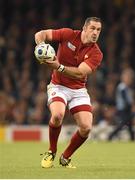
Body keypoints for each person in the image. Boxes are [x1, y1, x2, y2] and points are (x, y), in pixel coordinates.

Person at [34, 17, 103, 168]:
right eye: (92, 28)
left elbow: (79, 73)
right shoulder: (68, 34)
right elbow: (41, 34)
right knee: (58, 115)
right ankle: (51, 151)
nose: (95, 32)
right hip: (58, 86)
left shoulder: (96, 53)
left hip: (78, 90)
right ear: (84, 28)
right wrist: (41, 47)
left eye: (98, 30)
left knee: (86, 128)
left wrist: (58, 67)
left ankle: (65, 157)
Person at [108, 68, 135, 141]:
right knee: (123, 124)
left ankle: (133, 138)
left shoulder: (127, 87)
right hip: (123, 109)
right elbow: (126, 99)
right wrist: (132, 105)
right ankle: (111, 135)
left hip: (126, 108)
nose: (129, 80)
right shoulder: (122, 87)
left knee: (129, 124)